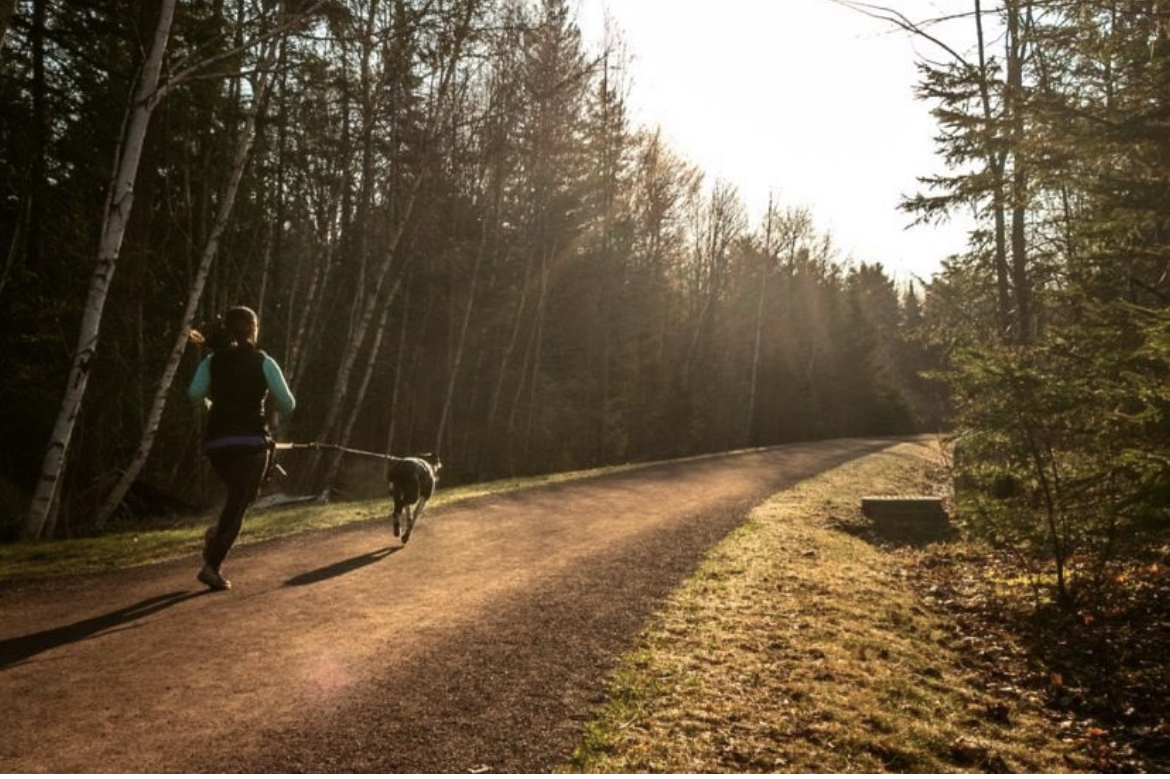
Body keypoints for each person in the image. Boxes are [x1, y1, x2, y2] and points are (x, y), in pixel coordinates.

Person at [187, 306, 295, 591]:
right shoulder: (263, 361)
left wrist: (214, 404)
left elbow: (194, 394)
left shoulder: (212, 361)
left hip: (217, 446)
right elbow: (289, 403)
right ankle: (212, 565)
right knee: (238, 506)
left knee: (239, 498)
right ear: (252, 329)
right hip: (250, 446)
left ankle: (216, 534)